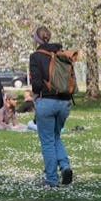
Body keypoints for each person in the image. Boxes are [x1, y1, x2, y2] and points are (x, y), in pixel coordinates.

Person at [29, 25, 74, 187]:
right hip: (65, 102)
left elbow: (36, 84)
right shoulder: (61, 53)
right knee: (55, 136)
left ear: (37, 39)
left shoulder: (36, 57)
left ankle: (51, 179)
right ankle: (65, 166)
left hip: (46, 102)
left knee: (47, 141)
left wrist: (34, 96)